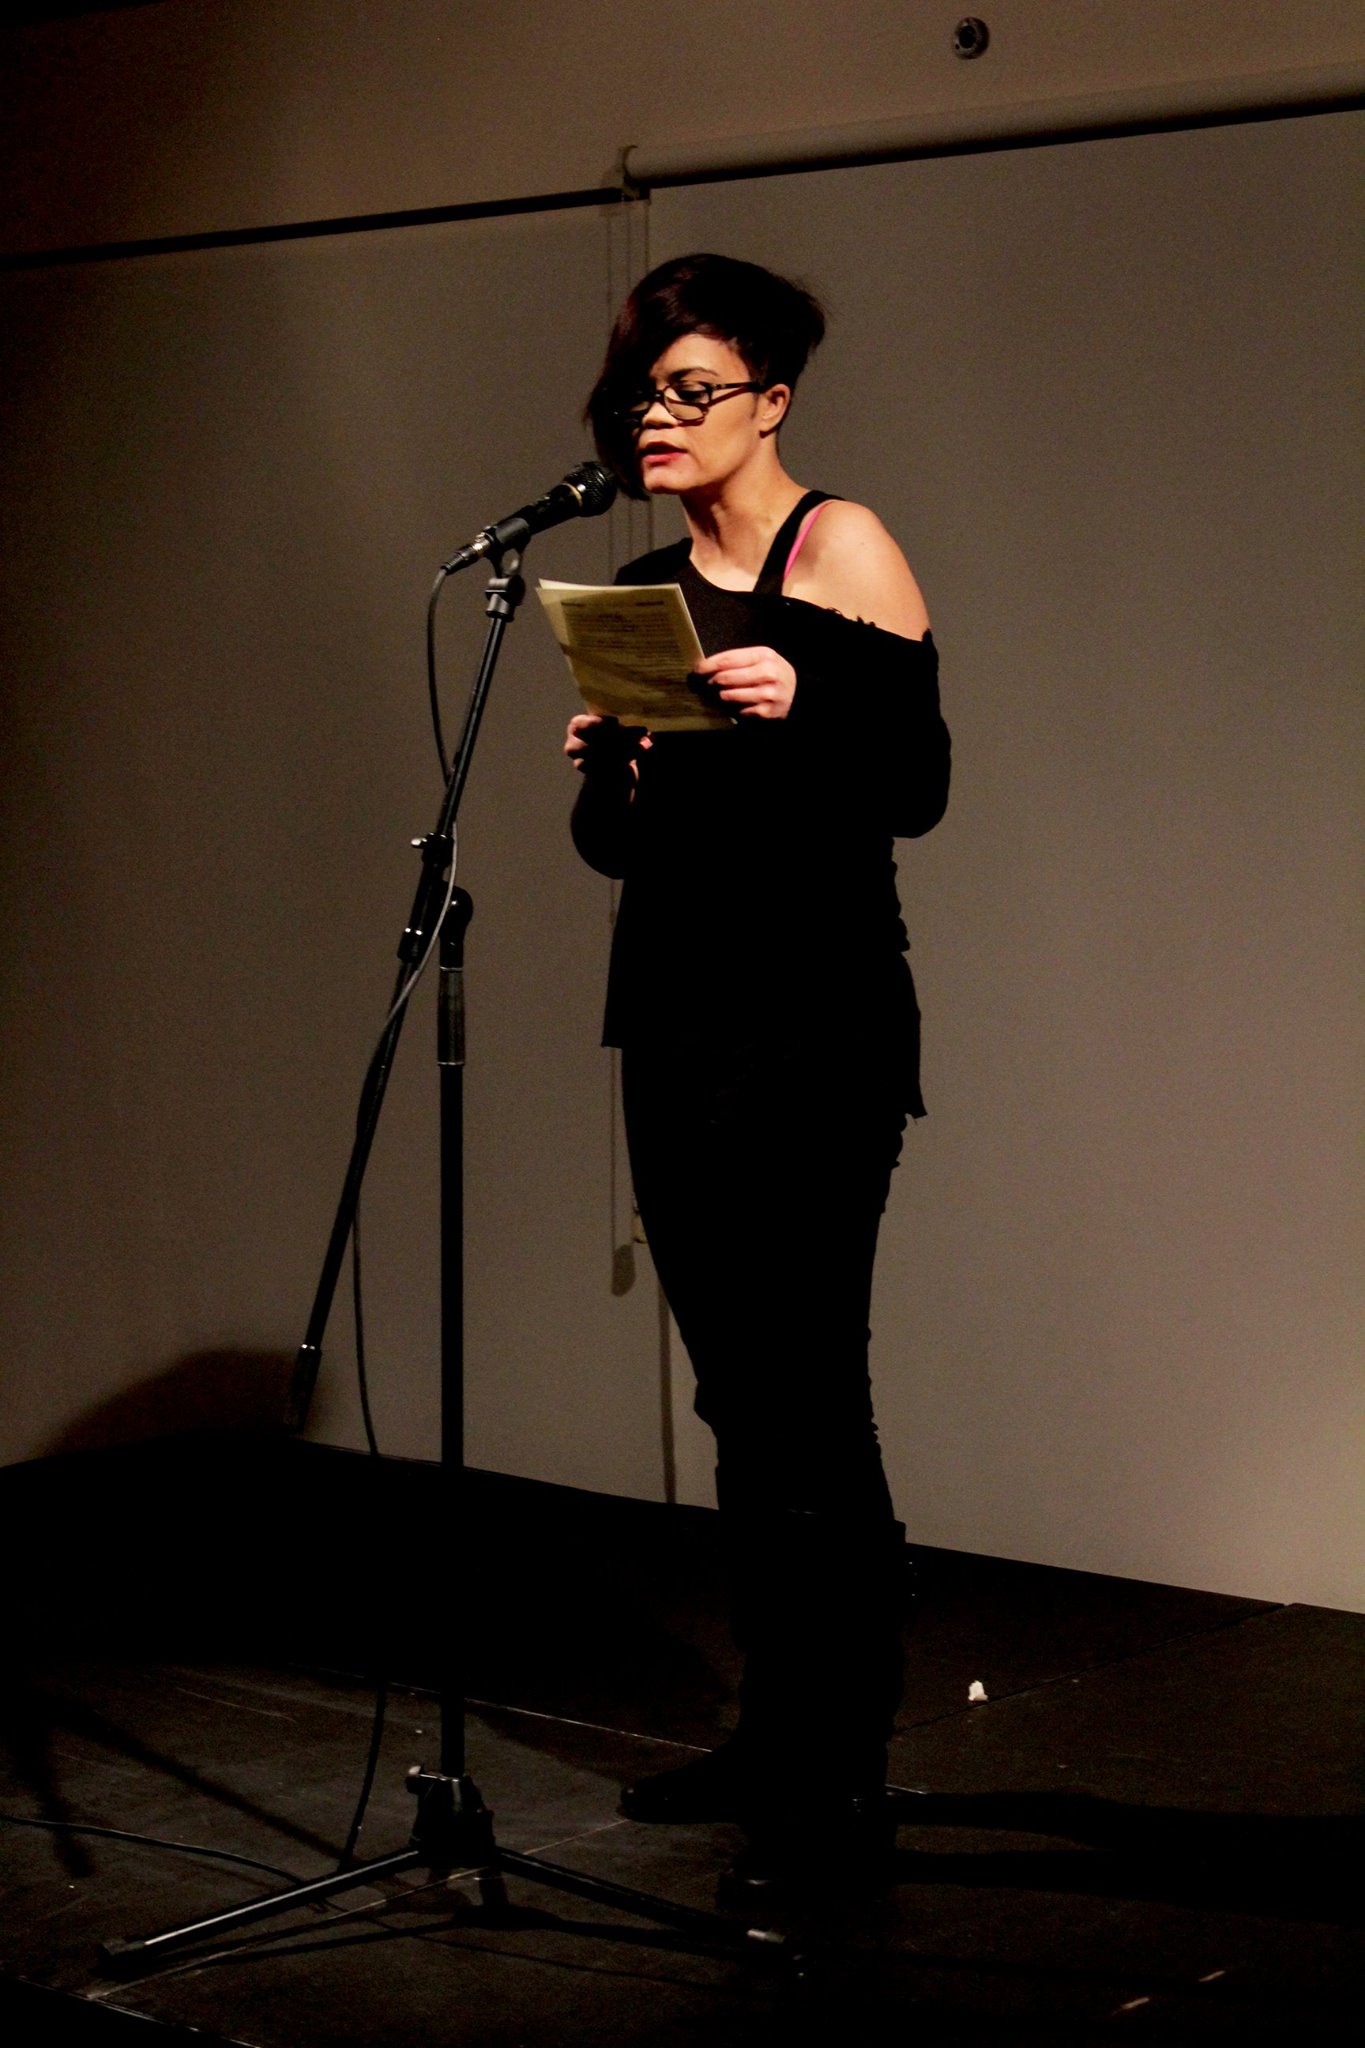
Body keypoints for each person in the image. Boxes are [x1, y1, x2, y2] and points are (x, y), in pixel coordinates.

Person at [565, 252, 950, 1899]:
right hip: (674, 1027)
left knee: (808, 1396)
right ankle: (774, 1726)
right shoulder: (642, 590)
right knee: (734, 1395)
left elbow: (916, 783)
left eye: (690, 390)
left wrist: (804, 696)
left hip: (814, 1031)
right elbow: (617, 854)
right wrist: (609, 773)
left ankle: (840, 1758)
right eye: (641, 394)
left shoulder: (838, 546)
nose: (656, 418)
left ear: (769, 400)